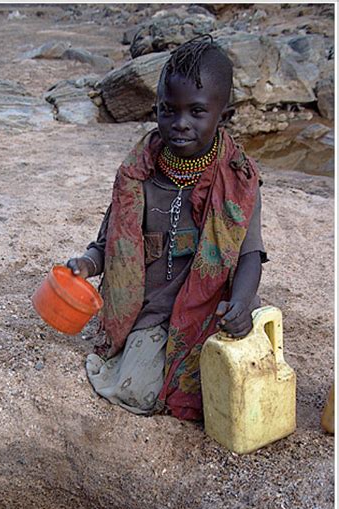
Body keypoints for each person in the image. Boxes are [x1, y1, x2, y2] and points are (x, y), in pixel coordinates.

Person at [66, 36, 267, 421]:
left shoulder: (238, 182)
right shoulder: (137, 175)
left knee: (228, 386)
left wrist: (240, 305)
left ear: (223, 116)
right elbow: (109, 244)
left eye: (196, 112)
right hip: (150, 312)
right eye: (168, 110)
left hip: (214, 308)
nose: (179, 124)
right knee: (138, 392)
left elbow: (249, 255)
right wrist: (85, 266)